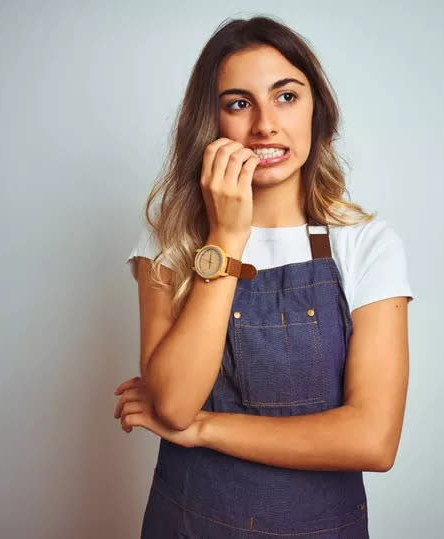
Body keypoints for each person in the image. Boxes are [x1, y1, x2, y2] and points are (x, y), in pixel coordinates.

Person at [114, 15, 414, 538]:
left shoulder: (366, 244)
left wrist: (205, 428)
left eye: (286, 97)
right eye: (238, 103)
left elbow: (372, 439)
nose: (265, 125)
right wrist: (227, 240)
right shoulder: (171, 238)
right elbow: (175, 401)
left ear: (317, 109)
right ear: (211, 121)